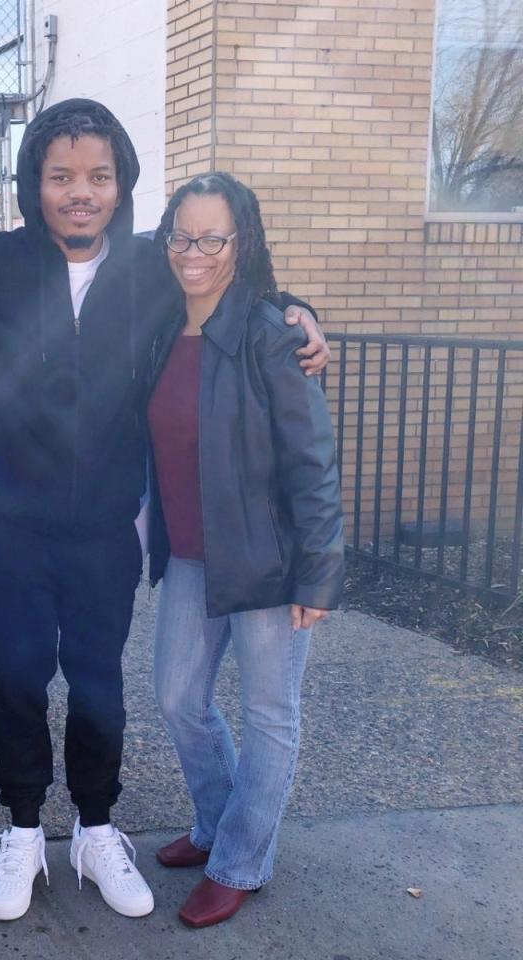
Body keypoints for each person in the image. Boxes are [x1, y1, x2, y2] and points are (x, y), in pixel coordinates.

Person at [0, 99, 330, 923]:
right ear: (35, 185)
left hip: (107, 530)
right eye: (60, 177)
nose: (79, 192)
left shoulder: (154, 268)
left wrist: (299, 309)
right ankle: (21, 831)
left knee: (98, 686)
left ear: (121, 186)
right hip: (14, 520)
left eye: (98, 176)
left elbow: (230, 277)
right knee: (15, 681)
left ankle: (95, 828)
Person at [146, 172, 344, 928]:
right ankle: (217, 821)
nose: (195, 251)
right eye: (183, 235)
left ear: (242, 243)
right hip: (193, 557)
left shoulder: (271, 332)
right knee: (177, 698)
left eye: (213, 237)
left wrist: (319, 574)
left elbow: (311, 461)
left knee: (269, 715)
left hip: (268, 562)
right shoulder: (165, 322)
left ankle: (240, 858)